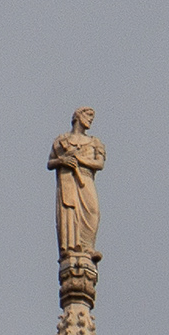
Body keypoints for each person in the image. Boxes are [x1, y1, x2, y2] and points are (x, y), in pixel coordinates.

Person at [50, 109, 105, 261]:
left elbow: (99, 164)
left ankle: (88, 247)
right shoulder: (62, 140)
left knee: (92, 212)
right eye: (88, 116)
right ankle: (70, 247)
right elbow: (50, 162)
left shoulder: (95, 142)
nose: (90, 120)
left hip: (86, 179)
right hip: (68, 180)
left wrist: (79, 160)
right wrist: (62, 161)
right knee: (69, 212)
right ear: (78, 117)